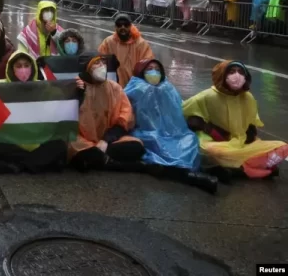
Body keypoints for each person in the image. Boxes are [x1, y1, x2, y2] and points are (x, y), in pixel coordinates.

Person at [0, 51, 68, 174]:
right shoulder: (0, 87)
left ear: (32, 67)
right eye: (18, 66)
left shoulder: (45, 89)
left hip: (38, 141)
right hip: (11, 142)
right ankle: (35, 164)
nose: (23, 69)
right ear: (11, 69)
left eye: (26, 65)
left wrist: (78, 91)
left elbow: (64, 104)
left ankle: (18, 165)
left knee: (60, 146)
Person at [183, 61, 288, 180]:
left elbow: (251, 122)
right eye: (232, 72)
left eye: (240, 72)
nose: (237, 76)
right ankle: (252, 167)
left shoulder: (247, 97)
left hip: (241, 143)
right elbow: (184, 111)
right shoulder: (207, 96)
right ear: (222, 75)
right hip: (218, 143)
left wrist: (250, 133)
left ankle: (241, 168)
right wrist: (205, 127)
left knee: (282, 147)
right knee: (214, 152)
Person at [124, 60, 217, 194]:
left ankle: (192, 171)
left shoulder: (167, 87)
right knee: (158, 145)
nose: (154, 72)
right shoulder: (136, 88)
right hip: (147, 132)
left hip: (174, 131)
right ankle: (189, 175)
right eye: (149, 69)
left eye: (157, 69)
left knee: (189, 139)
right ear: (141, 72)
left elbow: (180, 107)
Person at [69, 56, 145, 172]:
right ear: (87, 68)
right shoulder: (75, 86)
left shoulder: (114, 88)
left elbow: (125, 117)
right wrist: (78, 95)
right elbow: (65, 119)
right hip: (81, 141)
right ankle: (121, 165)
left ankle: (100, 159)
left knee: (136, 147)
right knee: (79, 150)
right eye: (96, 63)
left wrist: (106, 140)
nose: (102, 66)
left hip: (108, 140)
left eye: (103, 62)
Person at [98, 14, 154, 87]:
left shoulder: (141, 44)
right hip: (114, 87)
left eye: (126, 25)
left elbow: (148, 65)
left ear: (130, 26)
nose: (123, 27)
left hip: (135, 88)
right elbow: (99, 62)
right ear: (115, 27)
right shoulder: (108, 42)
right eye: (119, 25)